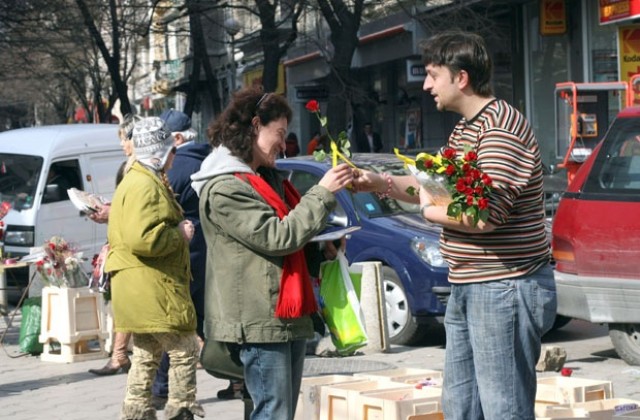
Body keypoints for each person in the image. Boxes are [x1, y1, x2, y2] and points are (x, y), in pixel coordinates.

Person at [352, 31, 556, 420]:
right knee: (461, 406)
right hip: (470, 284)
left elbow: (484, 216)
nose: (425, 84)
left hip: (503, 286)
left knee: (503, 409)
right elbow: (436, 188)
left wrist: (427, 212)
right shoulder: (466, 129)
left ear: (460, 78)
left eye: (433, 74)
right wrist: (381, 182)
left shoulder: (500, 130)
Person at [191, 87, 354, 420]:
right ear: (254, 126)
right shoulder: (225, 186)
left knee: (278, 412)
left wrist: (322, 248)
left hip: (282, 314)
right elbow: (278, 237)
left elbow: (288, 240)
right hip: (260, 318)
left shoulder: (260, 179)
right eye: (279, 134)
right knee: (273, 413)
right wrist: (322, 193)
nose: (284, 143)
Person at [105, 116, 203, 420]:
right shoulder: (144, 184)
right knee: (185, 348)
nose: (175, 157)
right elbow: (142, 238)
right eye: (171, 152)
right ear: (158, 152)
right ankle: (180, 410)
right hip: (151, 285)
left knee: (147, 353)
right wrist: (181, 234)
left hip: (138, 285)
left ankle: (136, 411)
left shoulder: (137, 177)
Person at [150, 109, 211, 408]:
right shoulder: (207, 159)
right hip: (209, 250)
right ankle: (241, 380)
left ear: (176, 139)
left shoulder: (178, 166)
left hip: (188, 252)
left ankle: (162, 387)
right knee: (205, 318)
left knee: (178, 320)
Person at [88, 115, 137, 376]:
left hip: (134, 253)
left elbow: (137, 213)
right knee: (122, 306)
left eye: (125, 139)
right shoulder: (129, 168)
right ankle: (119, 356)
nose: (122, 145)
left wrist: (111, 213)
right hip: (122, 249)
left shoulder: (142, 170)